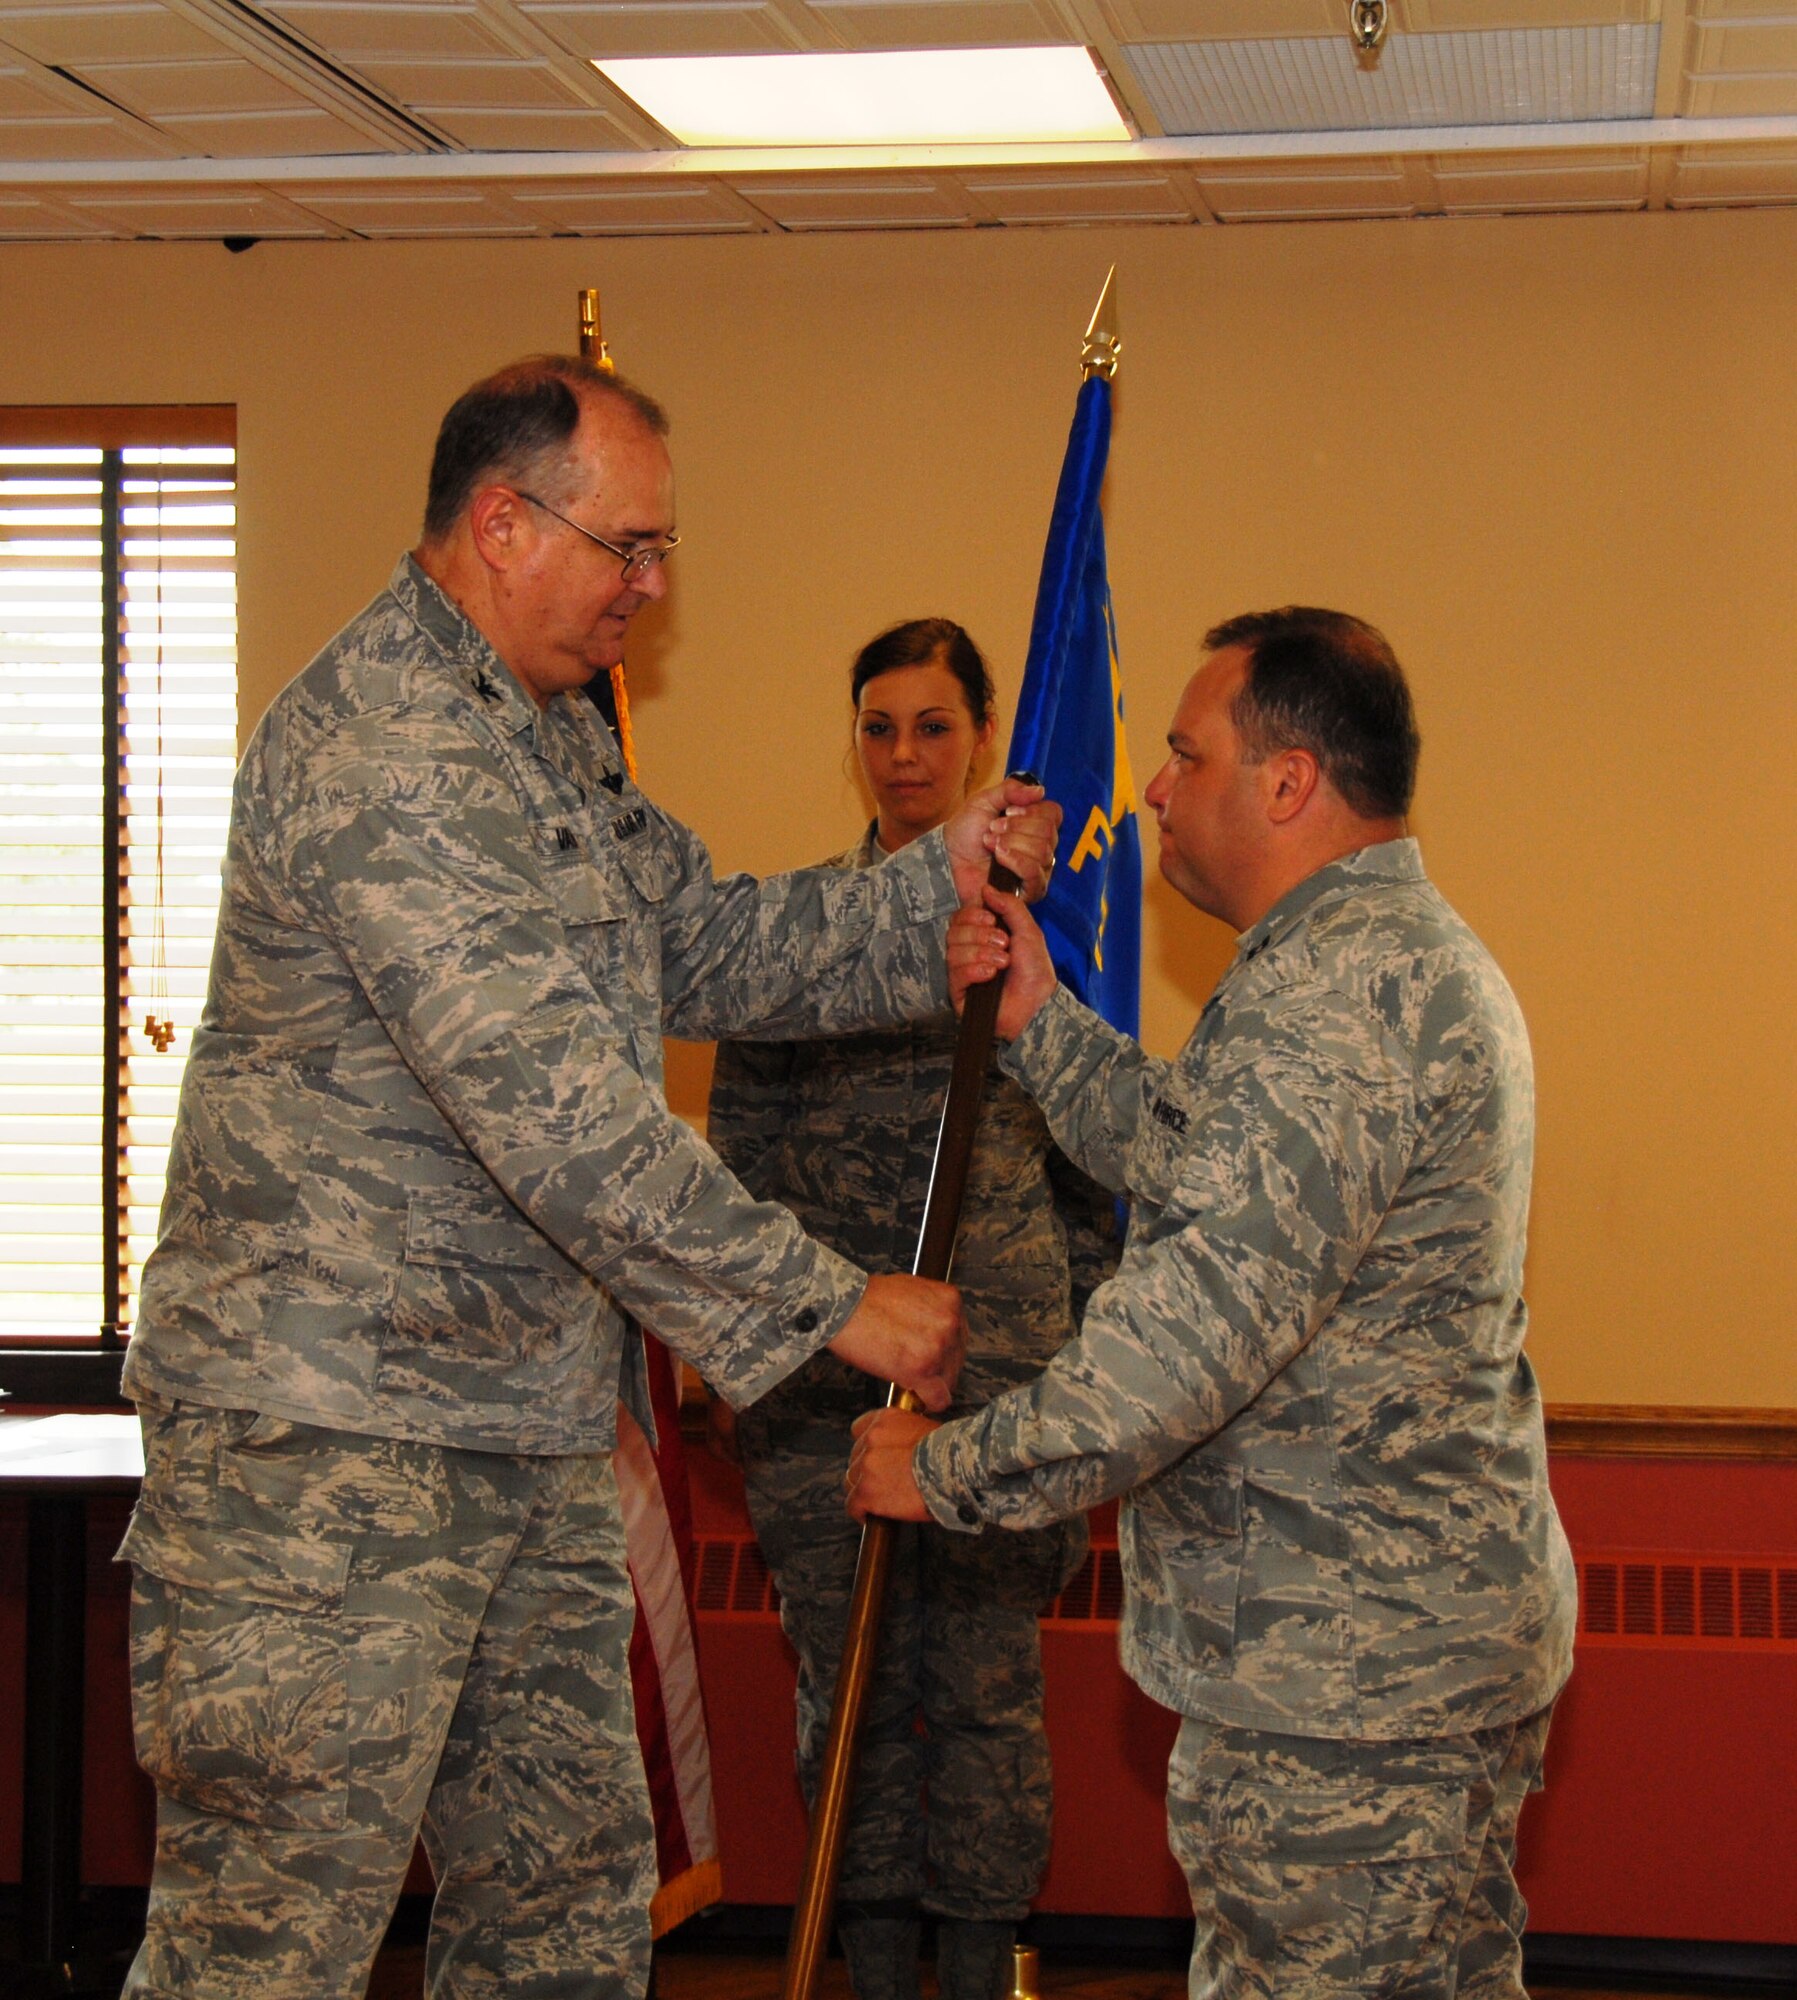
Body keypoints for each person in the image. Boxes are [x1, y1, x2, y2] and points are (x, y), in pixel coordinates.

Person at [115, 354, 1059, 2000]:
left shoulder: (547, 740)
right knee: (266, 1946)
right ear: (501, 524)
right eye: (628, 547)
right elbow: (561, 1118)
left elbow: (699, 940)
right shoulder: (387, 746)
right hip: (329, 1452)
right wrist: (834, 1305)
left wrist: (935, 885)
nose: (653, 586)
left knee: (562, 1911)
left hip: (523, 1434)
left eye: (661, 549)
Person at [848, 608, 1578, 2000]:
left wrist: (941, 1469)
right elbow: (1193, 1156)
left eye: (1186, 755)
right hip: (1388, 1656)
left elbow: (1173, 1348)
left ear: (1288, 782)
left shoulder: (1338, 1003)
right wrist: (1041, 1029)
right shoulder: (1359, 967)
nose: (1152, 789)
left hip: (1342, 1681)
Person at [707, 618, 1118, 2000]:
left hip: (1001, 1376)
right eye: (877, 727)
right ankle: (870, 1961)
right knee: (854, 1684)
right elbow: (741, 1160)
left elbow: (1098, 1175)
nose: (901, 756)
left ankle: (983, 1960)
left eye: (932, 727)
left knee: (989, 1690)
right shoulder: (803, 942)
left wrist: (1090, 1365)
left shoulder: (1040, 946)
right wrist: (745, 1353)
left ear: (983, 742)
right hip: (826, 1376)